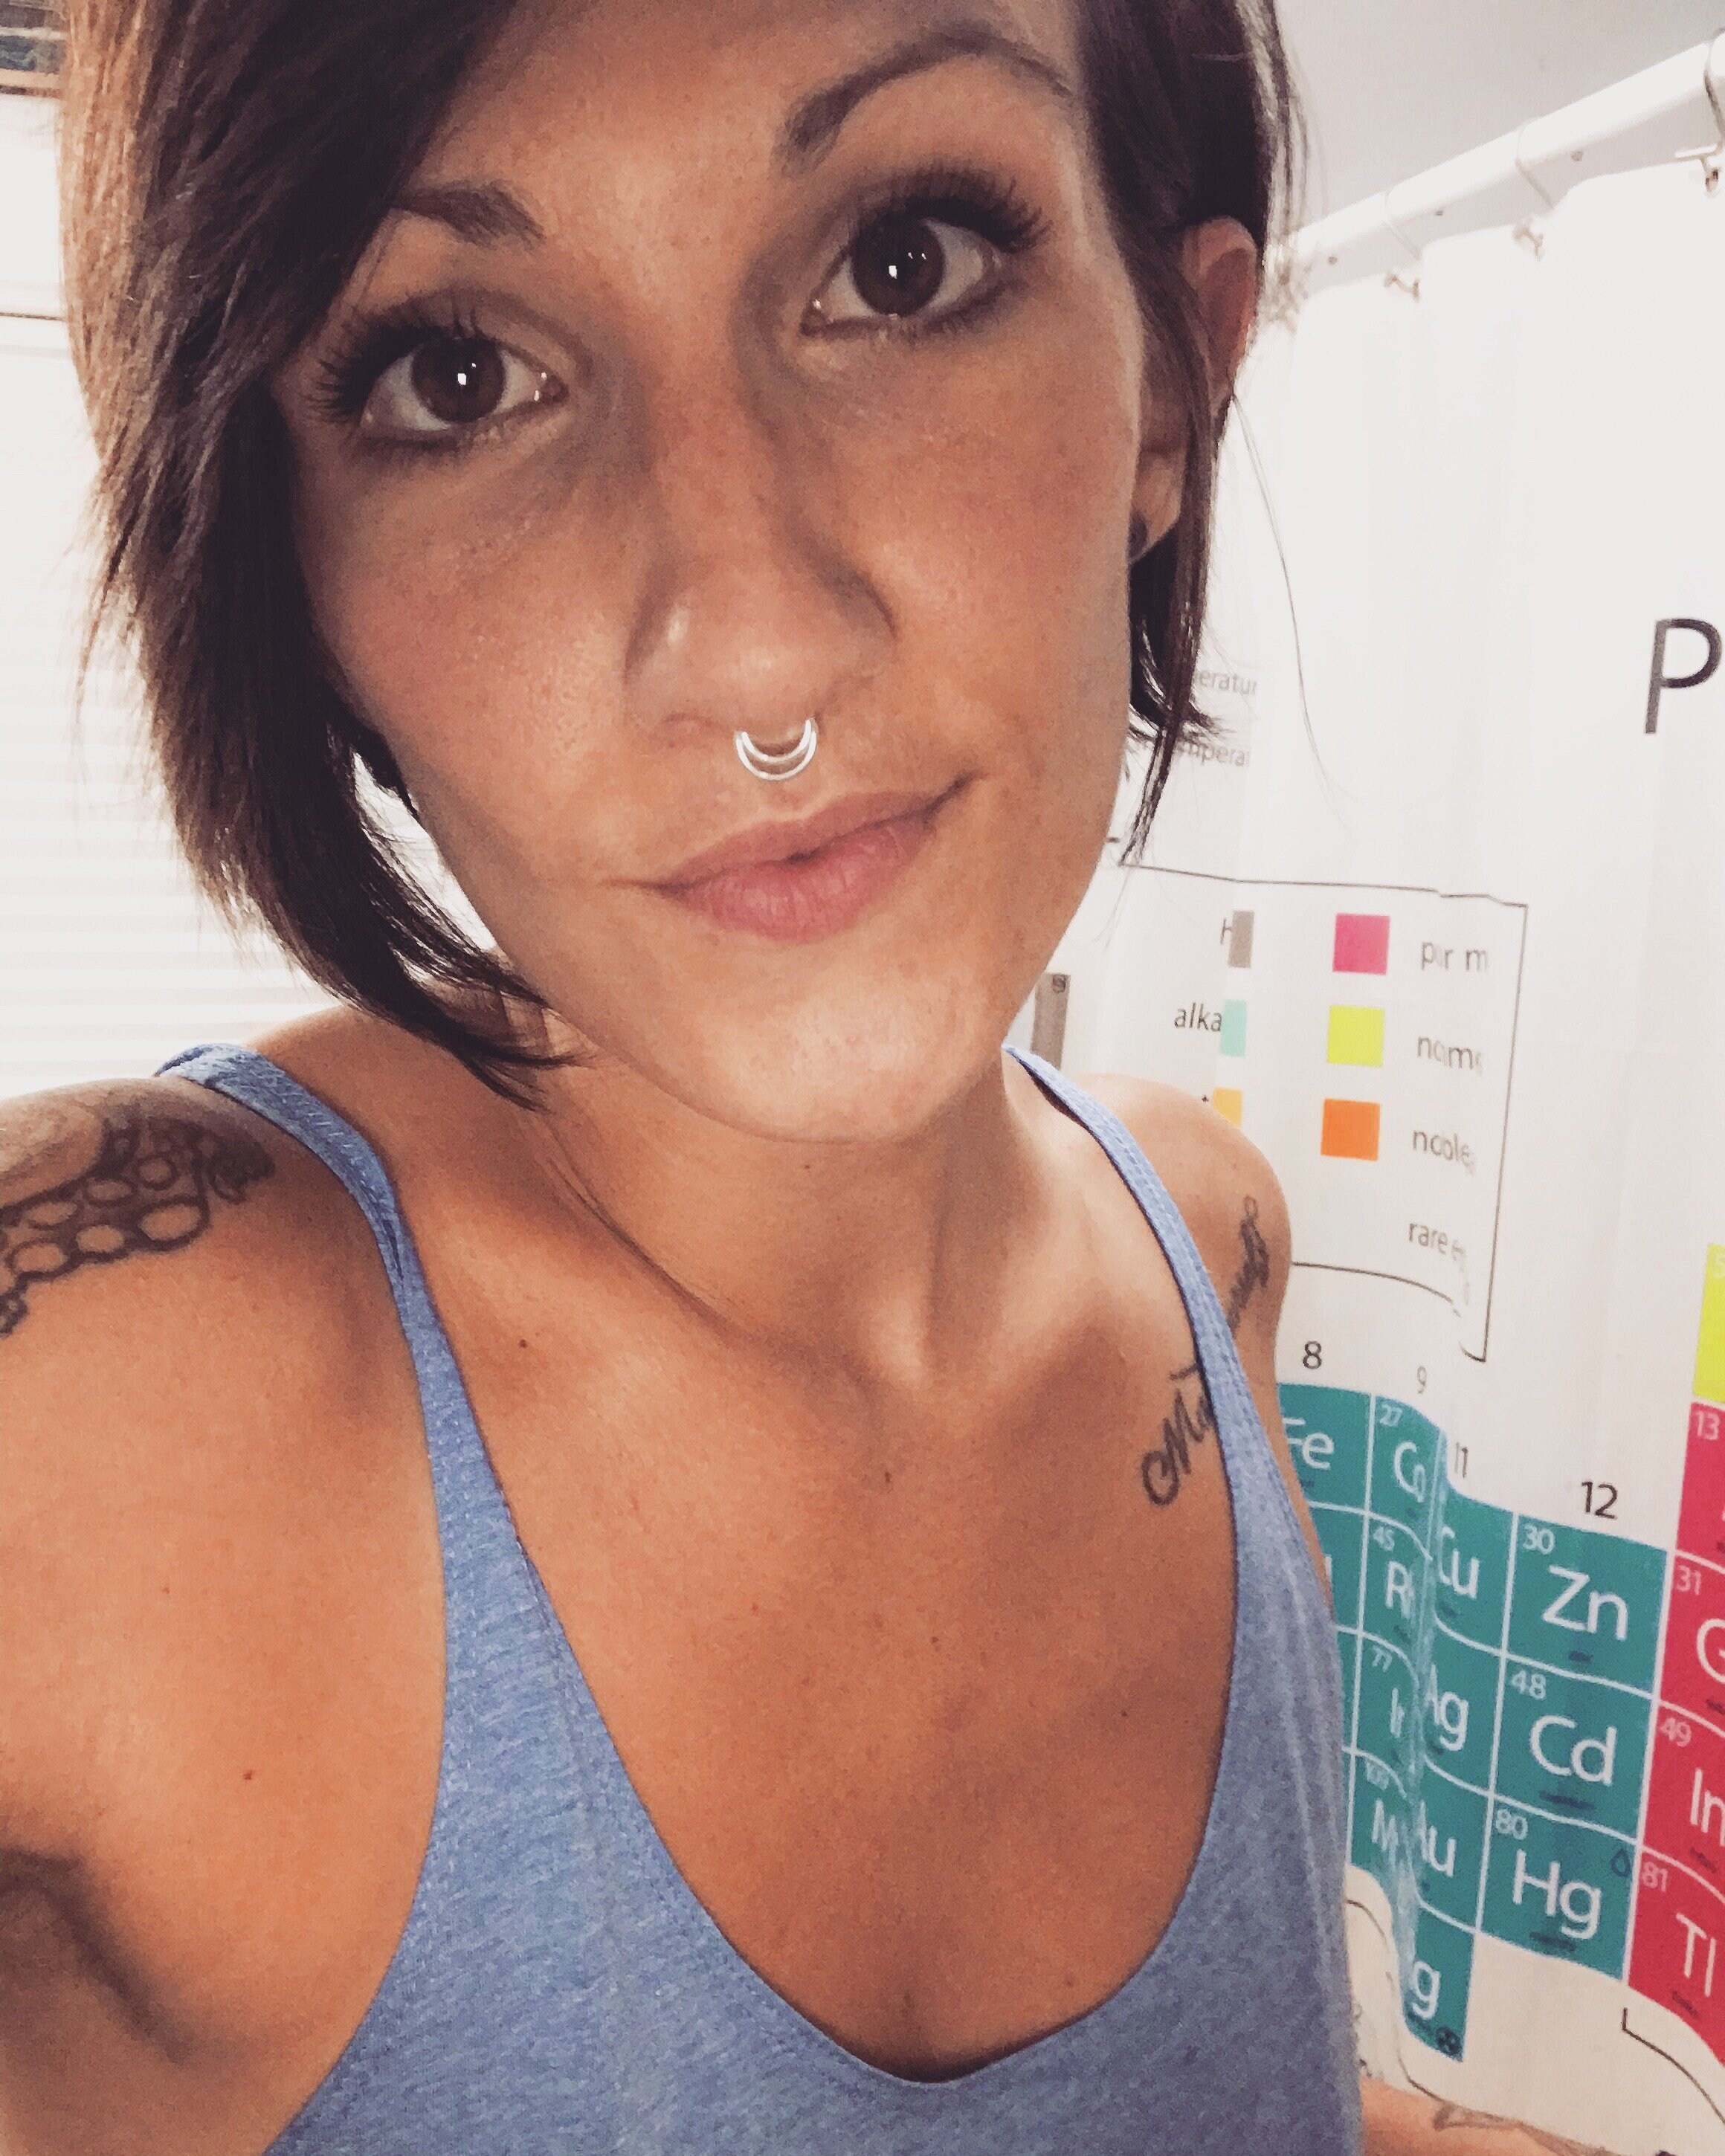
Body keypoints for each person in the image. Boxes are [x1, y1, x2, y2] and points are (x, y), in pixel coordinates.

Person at [0, 1, 1619, 2150]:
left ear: (1175, 375)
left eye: (901, 265)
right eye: (455, 377)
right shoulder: (102, 1395)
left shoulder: (1213, 1243)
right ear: (290, 570)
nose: (757, 647)